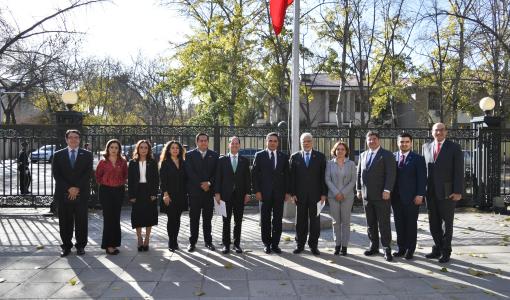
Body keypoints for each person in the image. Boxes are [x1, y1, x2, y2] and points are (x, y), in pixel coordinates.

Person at [422, 123, 464, 263]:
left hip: (448, 192)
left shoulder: (454, 147)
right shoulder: (426, 147)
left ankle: (446, 251)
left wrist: (458, 191)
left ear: (446, 132)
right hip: (430, 192)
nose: (438, 132)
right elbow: (424, 170)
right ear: (432, 132)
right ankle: (437, 248)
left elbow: (459, 171)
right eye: (436, 130)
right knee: (433, 223)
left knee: (447, 223)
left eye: (441, 130)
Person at [52, 129, 93, 257]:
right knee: (65, 221)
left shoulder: (87, 155)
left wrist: (76, 188)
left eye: (76, 137)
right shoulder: (58, 155)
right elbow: (56, 174)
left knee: (81, 221)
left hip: (82, 193)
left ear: (79, 139)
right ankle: (66, 246)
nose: (73, 139)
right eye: (71, 137)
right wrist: (69, 188)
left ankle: (81, 246)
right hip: (63, 193)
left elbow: (87, 174)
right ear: (66, 139)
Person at [357, 131, 396, 261]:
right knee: (370, 223)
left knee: (384, 223)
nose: (372, 141)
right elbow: (359, 174)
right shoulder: (363, 155)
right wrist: (358, 189)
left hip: (382, 196)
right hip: (367, 196)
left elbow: (391, 174)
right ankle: (373, 246)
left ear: (378, 140)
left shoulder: (387, 155)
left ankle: (386, 248)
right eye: (369, 139)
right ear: (366, 141)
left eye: (374, 139)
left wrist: (387, 190)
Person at [252, 132, 290, 254]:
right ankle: (267, 244)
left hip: (279, 194)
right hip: (264, 194)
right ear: (266, 142)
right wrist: (256, 191)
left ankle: (275, 244)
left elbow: (287, 177)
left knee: (278, 220)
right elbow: (254, 175)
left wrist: (287, 192)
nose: (272, 143)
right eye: (270, 141)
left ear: (278, 143)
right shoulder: (259, 155)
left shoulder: (284, 156)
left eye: (275, 141)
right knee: (265, 219)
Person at [289, 133, 327, 256]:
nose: (306, 143)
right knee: (300, 221)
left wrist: (323, 194)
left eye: (308, 141)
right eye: (303, 141)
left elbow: (323, 177)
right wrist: (293, 193)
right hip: (299, 196)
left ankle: (313, 245)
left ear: (312, 142)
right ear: (301, 143)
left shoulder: (320, 157)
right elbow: (292, 178)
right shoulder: (295, 157)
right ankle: (300, 244)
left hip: (316, 196)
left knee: (315, 221)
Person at [392, 133, 426, 260]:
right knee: (399, 224)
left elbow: (422, 179)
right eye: (401, 142)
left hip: (412, 198)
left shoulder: (418, 158)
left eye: (406, 142)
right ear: (398, 143)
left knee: (411, 224)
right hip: (396, 198)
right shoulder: (392, 157)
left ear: (411, 143)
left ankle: (410, 249)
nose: (404, 144)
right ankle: (401, 248)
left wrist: (420, 194)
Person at [214, 136, 251, 254]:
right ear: (229, 145)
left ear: (239, 146)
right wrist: (217, 193)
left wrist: (248, 193)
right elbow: (218, 178)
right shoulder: (222, 160)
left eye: (237, 143)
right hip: (225, 195)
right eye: (232, 143)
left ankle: (237, 244)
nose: (234, 145)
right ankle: (226, 245)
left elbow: (247, 179)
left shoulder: (244, 161)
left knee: (238, 221)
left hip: (240, 196)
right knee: (226, 221)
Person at [185, 133, 219, 252]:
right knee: (194, 219)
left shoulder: (214, 155)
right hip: (195, 192)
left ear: (208, 142)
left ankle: (208, 242)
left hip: (208, 193)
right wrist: (201, 184)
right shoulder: (189, 155)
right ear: (197, 142)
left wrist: (209, 183)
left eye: (205, 140)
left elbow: (216, 173)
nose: (203, 142)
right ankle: (192, 243)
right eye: (201, 140)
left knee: (207, 219)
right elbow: (189, 172)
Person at [95, 139, 128, 255]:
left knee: (116, 218)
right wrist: (107, 182)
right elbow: (98, 177)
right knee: (108, 218)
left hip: (118, 191)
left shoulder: (123, 162)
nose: (114, 150)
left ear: (119, 149)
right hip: (106, 191)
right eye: (111, 147)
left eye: (116, 147)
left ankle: (114, 244)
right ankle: (108, 245)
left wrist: (118, 182)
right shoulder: (102, 162)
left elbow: (125, 175)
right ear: (108, 148)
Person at [325, 141, 356, 256]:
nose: (340, 151)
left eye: (342, 149)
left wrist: (343, 193)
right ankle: (337, 245)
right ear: (334, 151)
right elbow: (327, 179)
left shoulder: (351, 164)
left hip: (347, 197)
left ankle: (345, 247)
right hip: (333, 196)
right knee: (336, 222)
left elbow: (353, 180)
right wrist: (336, 192)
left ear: (346, 151)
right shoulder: (329, 164)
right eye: (338, 149)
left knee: (346, 222)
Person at [128, 140, 160, 251]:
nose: (143, 149)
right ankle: (139, 238)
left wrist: (154, 193)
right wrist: (131, 195)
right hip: (137, 192)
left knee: (149, 216)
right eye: (141, 147)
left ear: (148, 149)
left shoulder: (152, 162)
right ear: (138, 149)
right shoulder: (132, 163)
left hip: (149, 191)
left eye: (145, 147)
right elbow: (130, 180)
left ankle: (147, 239)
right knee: (137, 216)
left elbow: (156, 179)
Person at [159, 140, 187, 252]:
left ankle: (175, 240)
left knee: (178, 218)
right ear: (168, 150)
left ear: (180, 150)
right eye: (173, 148)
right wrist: (165, 194)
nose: (175, 150)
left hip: (181, 195)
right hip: (169, 195)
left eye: (177, 148)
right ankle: (171, 241)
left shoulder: (183, 162)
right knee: (171, 219)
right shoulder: (165, 163)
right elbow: (163, 181)